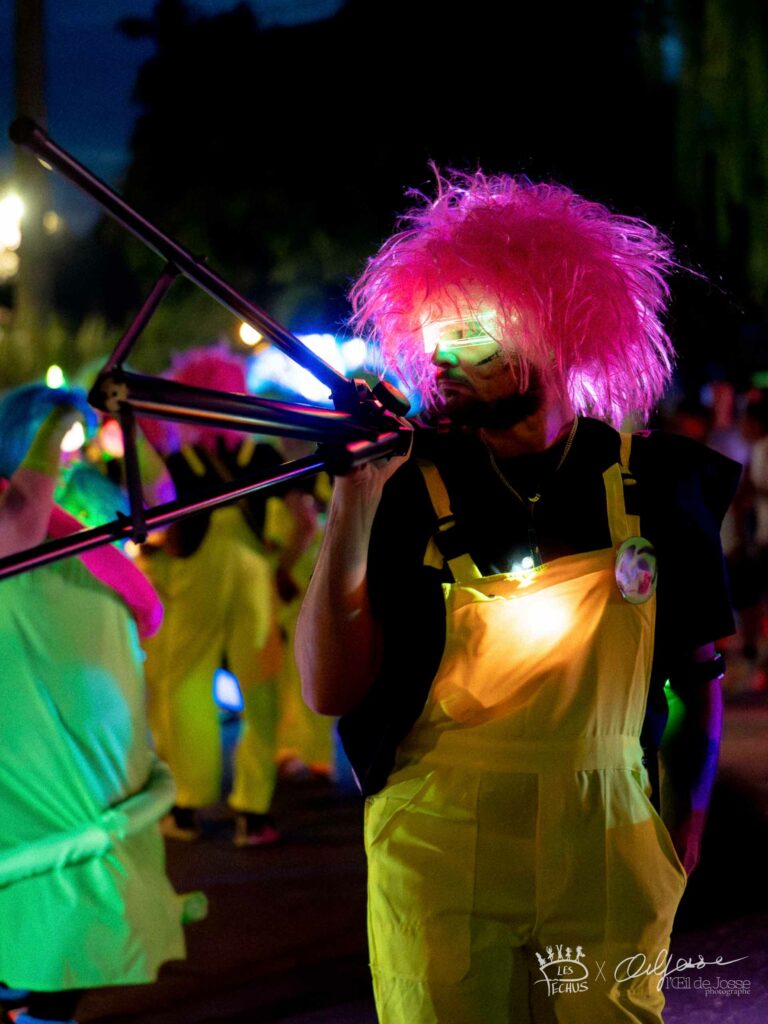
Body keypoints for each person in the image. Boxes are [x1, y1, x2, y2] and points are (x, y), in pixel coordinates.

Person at [296, 171, 739, 1023]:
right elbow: (329, 690)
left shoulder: (659, 483)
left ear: (556, 330)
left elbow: (697, 674)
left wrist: (682, 828)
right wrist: (352, 505)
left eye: (477, 335)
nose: (446, 359)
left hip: (609, 834)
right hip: (440, 834)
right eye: (437, 335)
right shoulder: (402, 479)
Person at [0, 386, 186, 1024]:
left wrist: (124, 430)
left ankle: (37, 999)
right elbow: (17, 528)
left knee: (83, 878)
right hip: (36, 719)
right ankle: (34, 1001)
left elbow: (160, 508)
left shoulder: (81, 492)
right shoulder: (17, 504)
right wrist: (57, 426)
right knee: (56, 869)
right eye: (56, 436)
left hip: (93, 714)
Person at [138, 346, 283, 847]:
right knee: (259, 686)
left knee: (187, 684)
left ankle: (187, 805)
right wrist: (284, 565)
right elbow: (304, 519)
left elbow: (162, 523)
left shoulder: (180, 461)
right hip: (252, 572)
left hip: (196, 575)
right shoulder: (259, 455)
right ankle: (252, 811)